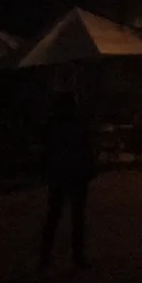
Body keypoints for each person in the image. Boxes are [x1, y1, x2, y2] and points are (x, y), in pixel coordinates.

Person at [38, 91, 95, 271]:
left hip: (60, 174)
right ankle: (77, 255)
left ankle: (46, 256)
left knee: (54, 215)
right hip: (75, 173)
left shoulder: (52, 125)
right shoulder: (77, 124)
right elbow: (86, 147)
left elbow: (46, 150)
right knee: (75, 216)